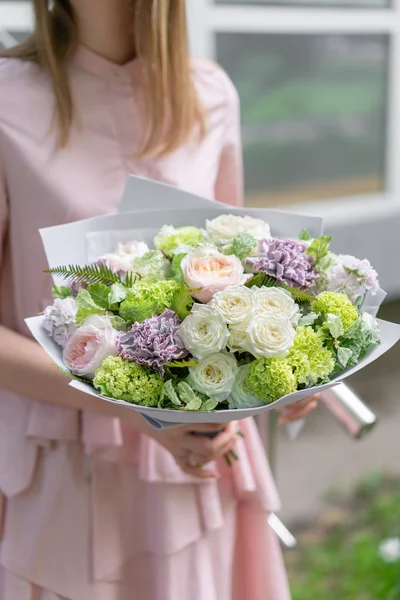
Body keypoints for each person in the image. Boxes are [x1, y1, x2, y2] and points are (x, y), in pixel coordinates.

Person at [0, 1, 318, 598]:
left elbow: (238, 282)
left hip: (197, 460)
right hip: (66, 464)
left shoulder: (211, 94)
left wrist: (288, 365)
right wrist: (138, 411)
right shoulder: (7, 97)